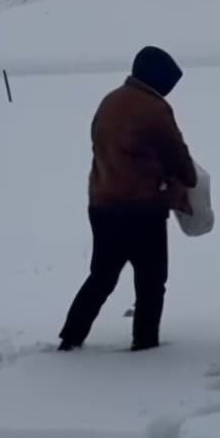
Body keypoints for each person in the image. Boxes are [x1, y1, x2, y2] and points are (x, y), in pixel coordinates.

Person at [58, 45, 198, 352]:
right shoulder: (154, 109)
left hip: (103, 204)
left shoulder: (109, 102)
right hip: (142, 209)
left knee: (102, 276)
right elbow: (178, 155)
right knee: (151, 280)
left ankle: (71, 335)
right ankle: (145, 342)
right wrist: (188, 179)